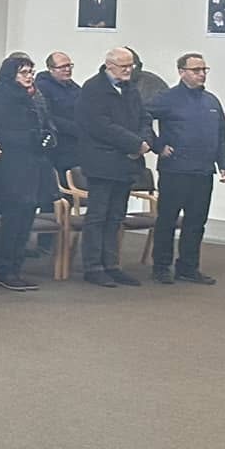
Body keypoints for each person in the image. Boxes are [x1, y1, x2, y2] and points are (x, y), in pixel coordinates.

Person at [147, 52, 225, 284]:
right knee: (167, 219)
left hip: (203, 170)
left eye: (204, 70)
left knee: (196, 221)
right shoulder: (167, 98)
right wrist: (157, 145)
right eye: (196, 70)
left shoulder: (211, 101)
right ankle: (161, 266)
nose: (201, 74)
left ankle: (188, 267)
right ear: (182, 72)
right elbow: (141, 117)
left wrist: (223, 163)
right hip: (175, 169)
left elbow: (221, 134)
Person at [76, 46, 150, 287]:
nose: (129, 70)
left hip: (127, 162)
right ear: (109, 66)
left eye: (131, 66)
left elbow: (144, 118)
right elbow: (101, 126)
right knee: (98, 216)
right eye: (124, 66)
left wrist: (144, 141)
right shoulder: (93, 89)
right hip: (102, 161)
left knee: (116, 216)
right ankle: (93, 267)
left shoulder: (131, 89)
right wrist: (134, 143)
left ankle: (112, 265)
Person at [0, 53, 57, 291]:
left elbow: (46, 122)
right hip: (13, 166)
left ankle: (16, 268)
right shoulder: (1, 97)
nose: (29, 77)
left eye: (31, 72)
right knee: (13, 219)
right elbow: (6, 132)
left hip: (34, 163)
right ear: (11, 75)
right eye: (24, 73)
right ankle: (5, 270)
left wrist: (49, 136)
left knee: (26, 218)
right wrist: (35, 138)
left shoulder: (33, 96)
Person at [37, 51, 81, 173]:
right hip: (59, 143)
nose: (67, 69)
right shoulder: (42, 87)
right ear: (51, 69)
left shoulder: (74, 87)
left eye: (69, 65)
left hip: (77, 142)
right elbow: (48, 116)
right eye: (62, 67)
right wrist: (75, 128)